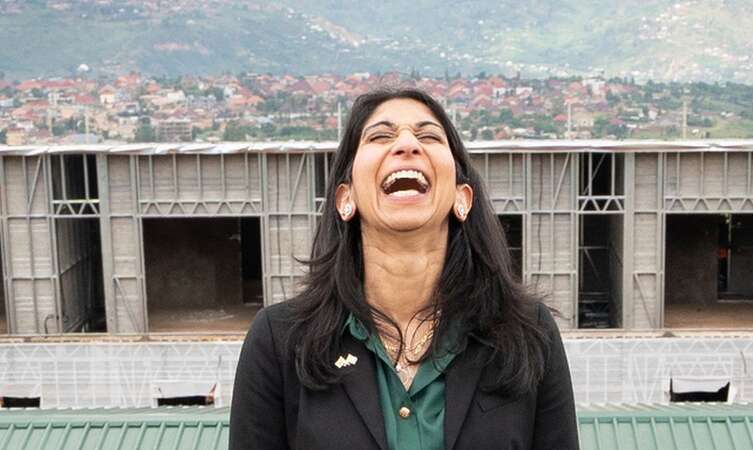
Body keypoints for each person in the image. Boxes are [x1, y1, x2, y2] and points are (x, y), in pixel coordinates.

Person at [230, 87, 578, 450]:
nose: (408, 145)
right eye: (381, 135)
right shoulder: (280, 342)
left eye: (428, 135)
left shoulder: (528, 334)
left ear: (463, 198)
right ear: (345, 198)